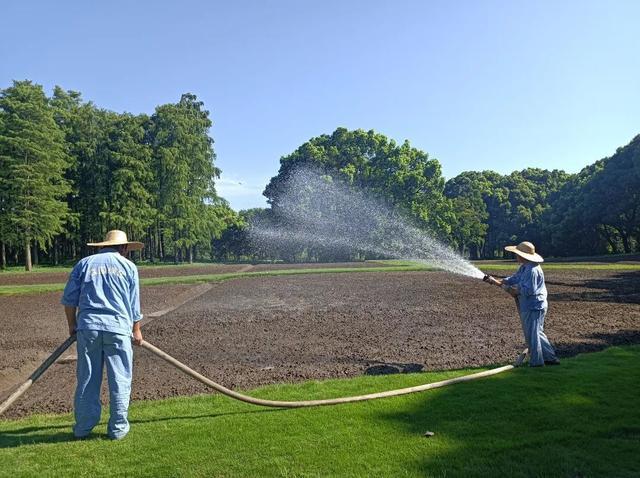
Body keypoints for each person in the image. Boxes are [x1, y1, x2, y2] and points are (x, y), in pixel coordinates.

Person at [61, 230, 144, 440]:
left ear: (102, 246)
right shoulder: (129, 267)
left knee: (87, 378)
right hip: (118, 328)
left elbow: (69, 300)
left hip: (88, 328)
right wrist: (136, 330)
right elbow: (134, 305)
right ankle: (117, 429)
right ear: (124, 248)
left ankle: (83, 428)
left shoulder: (84, 264)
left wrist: (73, 326)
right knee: (120, 379)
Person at [484, 241, 559, 367]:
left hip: (533, 305)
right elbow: (514, 279)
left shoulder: (532, 270)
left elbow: (527, 290)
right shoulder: (525, 267)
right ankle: (550, 358)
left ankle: (536, 363)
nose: (516, 256)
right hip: (532, 305)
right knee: (537, 332)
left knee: (532, 334)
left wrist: (507, 288)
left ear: (523, 255)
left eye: (517, 254)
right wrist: (496, 281)